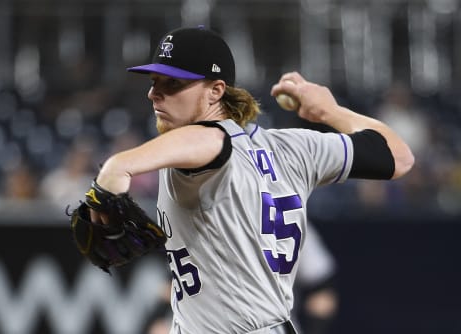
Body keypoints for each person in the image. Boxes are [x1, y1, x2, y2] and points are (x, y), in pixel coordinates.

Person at [88, 26, 414, 334]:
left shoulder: (200, 148)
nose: (154, 94)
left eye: (171, 84)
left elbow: (213, 143)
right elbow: (398, 157)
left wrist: (118, 165)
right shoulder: (295, 147)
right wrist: (331, 113)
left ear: (216, 91)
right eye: (154, 81)